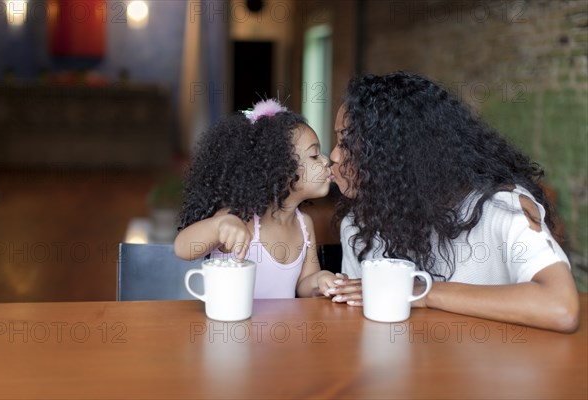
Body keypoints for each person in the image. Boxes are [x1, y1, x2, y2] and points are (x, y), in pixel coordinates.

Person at [326, 72, 580, 332]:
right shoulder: (359, 223)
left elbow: (560, 308)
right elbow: (358, 324)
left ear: (397, 152)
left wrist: (422, 293)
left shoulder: (502, 207)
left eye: (346, 142)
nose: (333, 155)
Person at [174, 99, 339, 298]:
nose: (325, 160)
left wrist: (318, 281)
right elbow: (183, 248)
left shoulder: (304, 225)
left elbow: (303, 284)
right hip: (236, 328)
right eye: (314, 156)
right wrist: (219, 225)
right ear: (281, 170)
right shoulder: (240, 218)